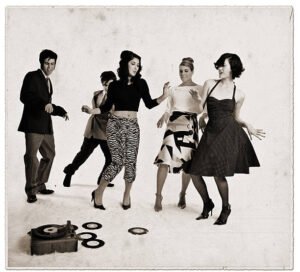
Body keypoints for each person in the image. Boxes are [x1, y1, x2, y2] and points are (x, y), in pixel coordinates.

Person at [82, 50, 169, 210]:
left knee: (130, 163)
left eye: (138, 64)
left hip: (132, 126)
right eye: (133, 63)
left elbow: (149, 104)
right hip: (114, 125)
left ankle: (127, 194)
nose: (136, 67)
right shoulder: (114, 85)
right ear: (125, 64)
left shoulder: (141, 84)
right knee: (117, 162)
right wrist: (91, 111)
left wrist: (164, 96)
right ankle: (99, 192)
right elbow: (106, 108)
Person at [188, 53, 265, 225]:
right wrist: (198, 101)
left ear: (233, 69)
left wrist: (248, 125)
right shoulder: (209, 84)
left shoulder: (239, 94)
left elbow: (236, 117)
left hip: (227, 134)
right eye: (219, 65)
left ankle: (225, 207)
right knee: (194, 172)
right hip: (211, 132)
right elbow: (201, 109)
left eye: (224, 65)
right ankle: (208, 203)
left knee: (218, 174)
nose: (219, 68)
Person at [18, 49, 68, 203]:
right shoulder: (32, 76)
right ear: (41, 62)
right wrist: (43, 104)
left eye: (52, 64)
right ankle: (31, 190)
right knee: (32, 158)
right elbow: (25, 96)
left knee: (49, 155)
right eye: (47, 63)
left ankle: (40, 184)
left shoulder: (48, 80)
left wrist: (61, 112)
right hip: (33, 124)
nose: (49, 67)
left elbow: (48, 105)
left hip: (46, 125)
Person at [153, 57, 203, 212]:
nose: (183, 74)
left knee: (187, 162)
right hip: (174, 124)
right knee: (164, 158)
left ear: (192, 71)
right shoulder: (174, 89)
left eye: (186, 71)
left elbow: (202, 110)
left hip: (189, 125)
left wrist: (198, 99)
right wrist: (164, 115)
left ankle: (182, 194)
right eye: (180, 71)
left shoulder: (200, 88)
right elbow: (169, 107)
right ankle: (158, 196)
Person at [62, 71, 117, 188]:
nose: (108, 87)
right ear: (102, 84)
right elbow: (97, 110)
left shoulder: (117, 97)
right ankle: (69, 173)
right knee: (83, 154)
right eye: (105, 84)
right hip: (93, 129)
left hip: (106, 131)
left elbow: (107, 111)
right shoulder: (97, 94)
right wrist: (88, 110)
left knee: (111, 158)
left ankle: (102, 180)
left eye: (111, 84)